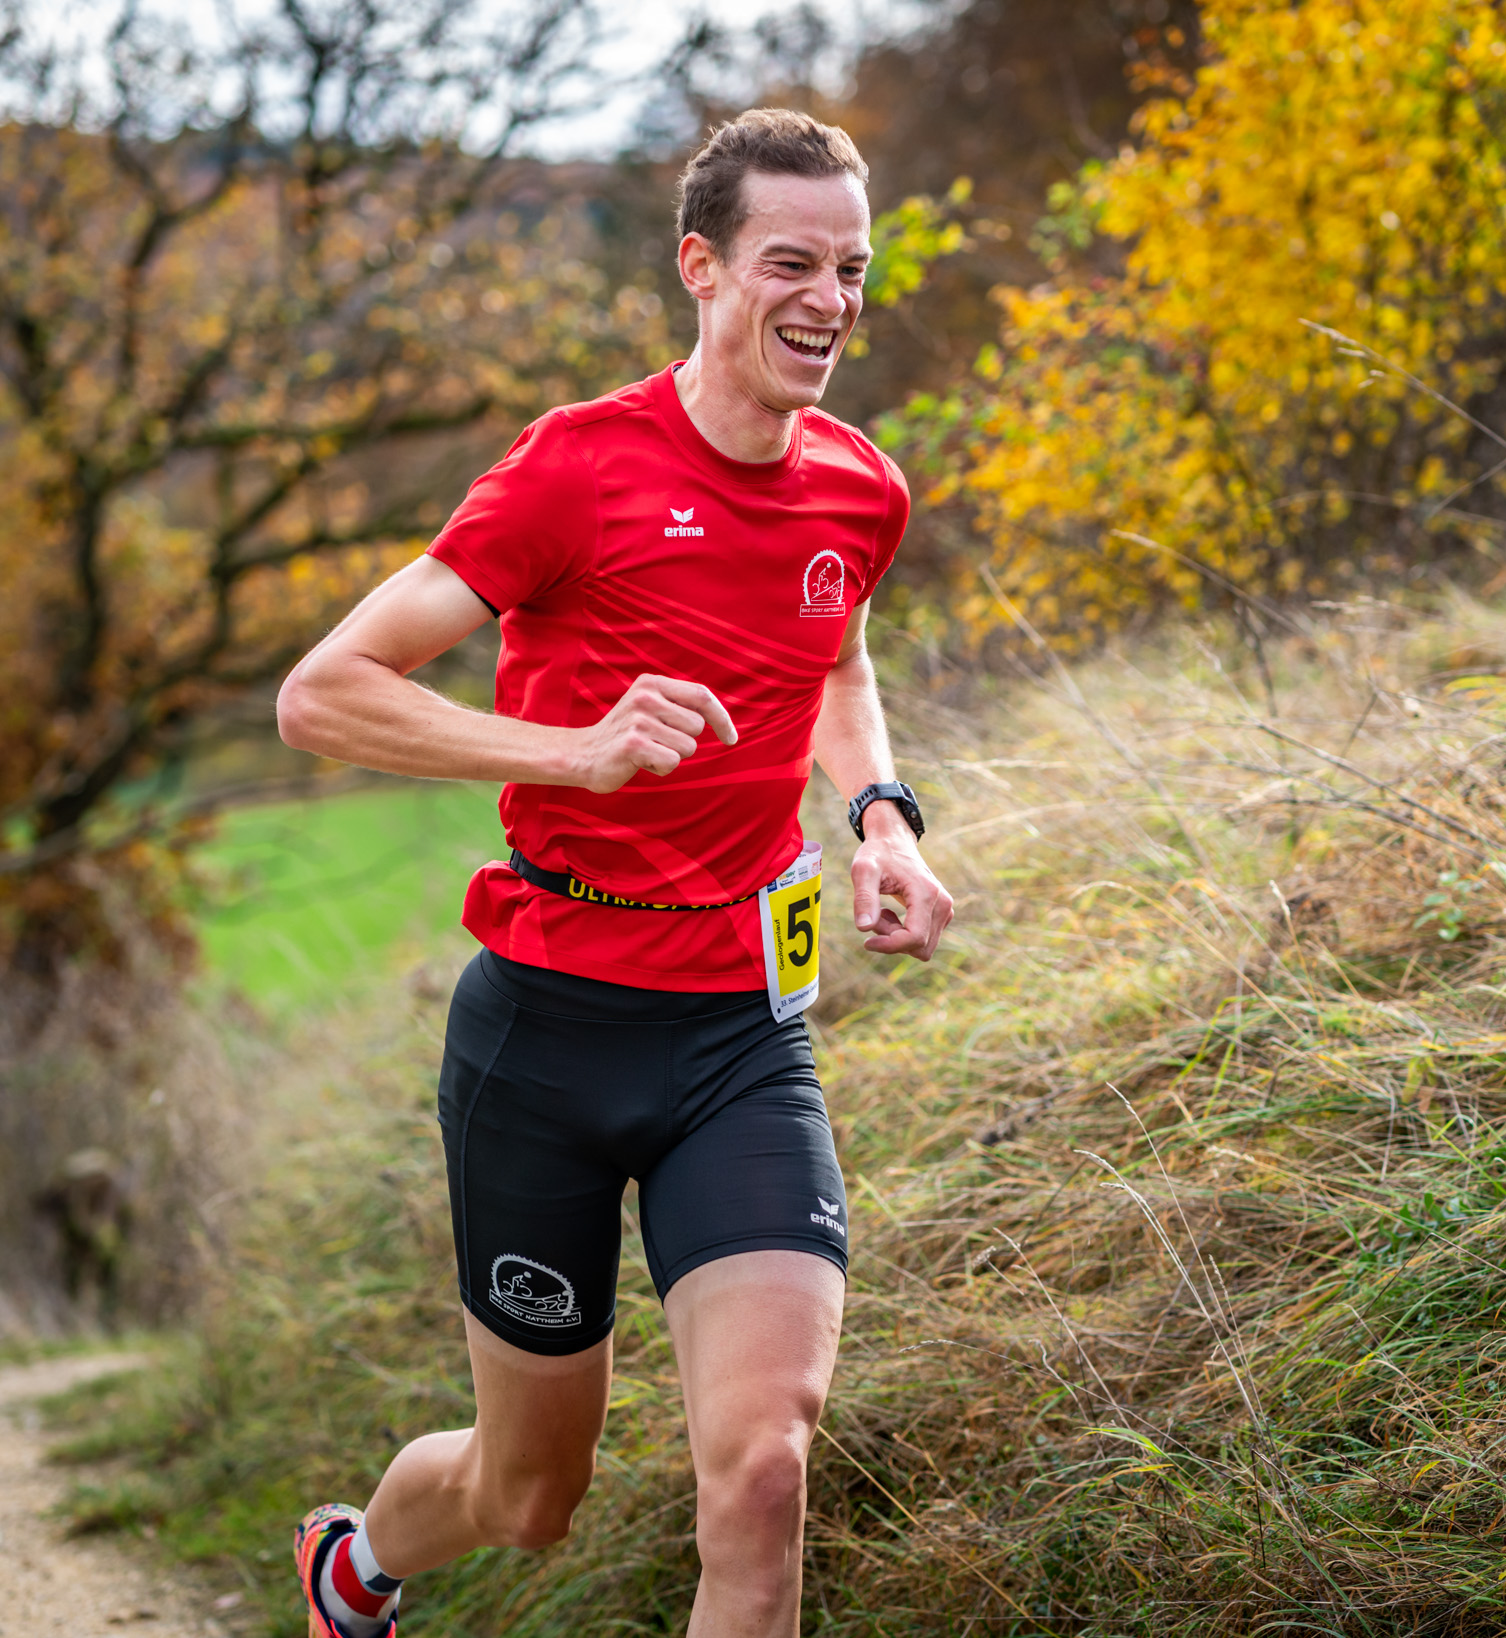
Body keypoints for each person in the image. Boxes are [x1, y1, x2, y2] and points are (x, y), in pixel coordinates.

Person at [273, 108, 952, 1638]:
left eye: (852, 269)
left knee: (764, 1471)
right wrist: (571, 751)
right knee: (529, 1495)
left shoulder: (862, 489)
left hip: (740, 1037)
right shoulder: (576, 469)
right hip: (549, 1034)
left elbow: (836, 661)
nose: (830, 301)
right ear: (702, 266)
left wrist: (882, 819)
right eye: (792, 263)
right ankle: (357, 1564)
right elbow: (322, 693)